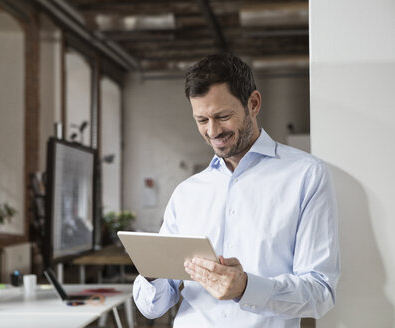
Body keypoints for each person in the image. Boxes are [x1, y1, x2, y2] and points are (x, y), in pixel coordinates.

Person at [132, 53, 340, 328]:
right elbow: (153, 307)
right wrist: (150, 272)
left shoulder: (306, 175)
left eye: (223, 116)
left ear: (253, 104)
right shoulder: (187, 193)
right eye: (201, 120)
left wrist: (246, 288)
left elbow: (320, 293)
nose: (213, 131)